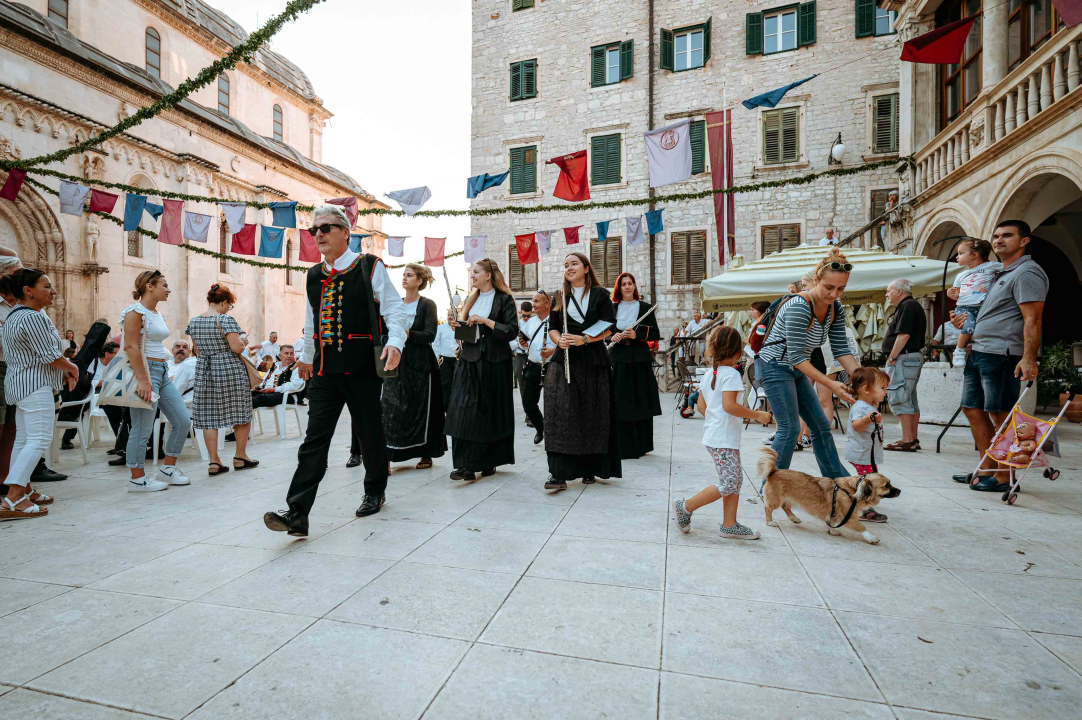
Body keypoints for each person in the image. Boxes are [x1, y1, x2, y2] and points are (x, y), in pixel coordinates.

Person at [264, 205, 405, 536]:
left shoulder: (369, 266)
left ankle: (374, 490)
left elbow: (395, 309)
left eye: (326, 228)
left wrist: (395, 342)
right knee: (315, 440)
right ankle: (297, 512)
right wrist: (307, 356)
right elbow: (311, 319)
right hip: (325, 372)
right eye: (315, 230)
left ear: (345, 232)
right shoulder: (314, 275)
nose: (319, 235)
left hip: (362, 369)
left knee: (369, 432)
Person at [957, 220, 1047, 492]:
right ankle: (986, 468)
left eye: (1007, 235)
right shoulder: (1000, 273)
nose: (998, 240)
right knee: (971, 408)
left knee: (1000, 414)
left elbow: (1033, 319)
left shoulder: (1027, 272)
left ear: (1024, 241)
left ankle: (1004, 476)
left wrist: (1029, 357)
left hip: (1002, 352)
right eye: (996, 236)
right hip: (980, 349)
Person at [755, 247, 859, 480]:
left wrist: (863, 380)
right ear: (815, 281)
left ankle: (839, 484)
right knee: (790, 429)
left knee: (821, 426)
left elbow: (841, 348)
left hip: (795, 367)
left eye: (841, 288)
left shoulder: (835, 307)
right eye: (829, 287)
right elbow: (796, 356)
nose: (834, 294)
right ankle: (771, 489)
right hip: (774, 364)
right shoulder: (800, 306)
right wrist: (832, 386)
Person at [673, 326, 773, 539]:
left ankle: (730, 524)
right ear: (737, 352)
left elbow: (702, 406)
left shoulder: (711, 373)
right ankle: (686, 507)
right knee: (729, 482)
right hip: (724, 439)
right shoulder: (732, 375)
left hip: (716, 436)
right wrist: (757, 415)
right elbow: (729, 406)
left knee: (734, 480)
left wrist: (717, 419)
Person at [0, 269, 78, 520]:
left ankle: (24, 491)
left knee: (24, 440)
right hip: (34, 385)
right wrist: (72, 367)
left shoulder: (15, 315)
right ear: (28, 291)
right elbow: (49, 355)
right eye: (47, 286)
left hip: (21, 384)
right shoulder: (32, 317)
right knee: (38, 439)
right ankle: (12, 498)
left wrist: (62, 370)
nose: (53, 290)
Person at [543, 251, 620, 490]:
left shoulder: (600, 294)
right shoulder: (559, 296)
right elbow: (552, 328)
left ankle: (589, 468)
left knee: (592, 413)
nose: (569, 268)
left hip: (593, 360)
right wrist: (560, 341)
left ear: (586, 268)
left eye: (574, 263)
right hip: (563, 360)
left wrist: (584, 339)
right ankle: (559, 473)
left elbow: (610, 326)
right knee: (561, 415)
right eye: (566, 265)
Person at [119, 270, 193, 492]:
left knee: (182, 421)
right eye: (164, 285)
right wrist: (143, 380)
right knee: (142, 428)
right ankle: (137, 478)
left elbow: (156, 344)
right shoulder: (134, 312)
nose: (168, 290)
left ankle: (168, 469)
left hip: (161, 369)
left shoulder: (157, 315)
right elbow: (131, 347)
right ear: (149, 286)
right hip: (145, 371)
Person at [445, 259, 518, 481]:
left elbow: (512, 331)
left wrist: (486, 321)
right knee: (463, 411)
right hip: (468, 360)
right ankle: (465, 464)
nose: (472, 276)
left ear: (489, 275)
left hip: (494, 363)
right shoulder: (471, 299)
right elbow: (468, 334)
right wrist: (458, 325)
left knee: (490, 412)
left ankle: (488, 461)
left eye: (476, 272)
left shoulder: (504, 299)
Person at [186, 284, 258, 476]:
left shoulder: (194, 322)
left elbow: (197, 350)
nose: (229, 308)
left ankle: (214, 462)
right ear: (224, 302)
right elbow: (236, 348)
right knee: (241, 411)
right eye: (230, 305)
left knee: (209, 416)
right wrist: (244, 341)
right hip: (229, 369)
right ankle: (240, 456)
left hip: (205, 370)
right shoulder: (225, 319)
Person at [382, 263, 446, 469]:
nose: (404, 278)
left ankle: (426, 454)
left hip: (420, 364)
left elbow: (430, 334)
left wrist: (406, 333)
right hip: (396, 363)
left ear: (419, 281)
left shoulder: (428, 304)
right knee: (392, 408)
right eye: (403, 275)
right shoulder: (396, 305)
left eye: (409, 275)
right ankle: (390, 453)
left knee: (422, 409)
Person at [609, 272, 661, 459]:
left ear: (634, 286)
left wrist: (636, 335)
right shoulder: (612, 308)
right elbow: (605, 330)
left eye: (630, 283)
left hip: (639, 359)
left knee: (640, 400)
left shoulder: (645, 307)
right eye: (624, 284)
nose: (627, 287)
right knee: (620, 400)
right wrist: (611, 336)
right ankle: (622, 443)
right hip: (619, 358)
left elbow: (655, 332)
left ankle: (642, 445)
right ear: (619, 287)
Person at [882, 278, 926, 452]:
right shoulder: (910, 305)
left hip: (903, 357)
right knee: (909, 398)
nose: (887, 294)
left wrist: (892, 357)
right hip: (910, 358)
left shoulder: (907, 306)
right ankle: (912, 439)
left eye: (889, 291)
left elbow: (903, 334)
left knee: (900, 397)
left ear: (899, 291)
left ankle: (907, 440)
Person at [845, 367, 891, 523]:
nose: (885, 391)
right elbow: (857, 426)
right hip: (862, 452)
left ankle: (863, 503)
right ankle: (863, 508)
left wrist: (875, 404)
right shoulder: (862, 408)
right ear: (866, 389)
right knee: (868, 482)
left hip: (866, 453)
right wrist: (867, 419)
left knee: (869, 478)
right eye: (882, 388)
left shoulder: (867, 405)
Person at [947, 238, 1001, 367]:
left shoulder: (991, 266)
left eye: (960, 253)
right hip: (965, 307)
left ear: (974, 255)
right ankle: (959, 350)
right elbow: (959, 294)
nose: (957, 257)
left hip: (983, 306)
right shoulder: (961, 275)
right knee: (968, 327)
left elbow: (1009, 267)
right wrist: (953, 295)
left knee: (980, 329)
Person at [519, 290, 553, 444]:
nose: (533, 304)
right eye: (533, 301)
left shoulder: (556, 321)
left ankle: (554, 433)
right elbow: (526, 345)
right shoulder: (530, 323)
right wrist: (524, 345)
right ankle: (541, 428)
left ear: (547, 303)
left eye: (537, 301)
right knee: (528, 403)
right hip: (533, 366)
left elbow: (564, 343)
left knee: (553, 402)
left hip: (552, 367)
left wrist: (552, 351)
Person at [433, 311, 458, 414]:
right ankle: (445, 408)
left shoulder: (459, 327)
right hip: (445, 360)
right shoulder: (440, 328)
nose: (450, 317)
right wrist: (438, 356)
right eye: (448, 315)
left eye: (452, 315)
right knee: (445, 384)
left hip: (457, 359)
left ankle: (456, 408)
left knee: (456, 383)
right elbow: (435, 343)